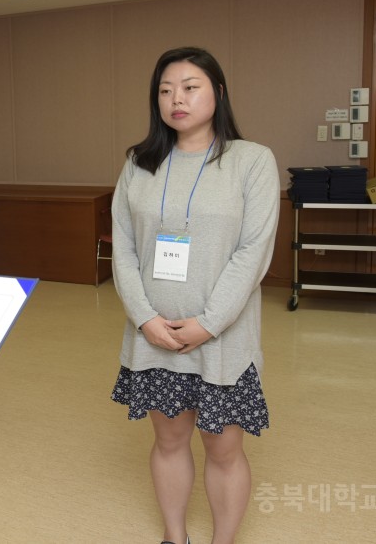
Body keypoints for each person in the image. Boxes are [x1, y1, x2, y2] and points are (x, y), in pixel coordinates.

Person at [109, 47, 278, 544]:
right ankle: (174, 536)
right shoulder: (138, 163)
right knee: (169, 441)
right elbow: (123, 247)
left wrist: (208, 322)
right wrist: (144, 318)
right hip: (154, 334)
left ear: (218, 93)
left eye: (189, 86)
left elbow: (253, 253)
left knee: (223, 448)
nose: (175, 99)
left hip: (221, 337)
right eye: (165, 90)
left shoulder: (252, 161)